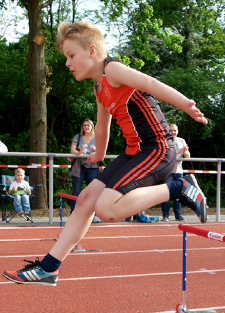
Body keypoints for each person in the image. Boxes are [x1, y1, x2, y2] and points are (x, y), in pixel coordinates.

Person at [3, 21, 208, 286]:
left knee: (107, 208)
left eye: (71, 55)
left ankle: (180, 188)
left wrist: (186, 105)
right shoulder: (100, 88)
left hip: (158, 147)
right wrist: (97, 155)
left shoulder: (113, 69)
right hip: (134, 152)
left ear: (91, 51)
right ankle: (48, 268)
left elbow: (150, 82)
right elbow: (102, 128)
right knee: (86, 198)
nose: (67, 63)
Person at [69, 118, 100, 222]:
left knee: (93, 192)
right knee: (76, 190)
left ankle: (93, 215)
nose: (86, 127)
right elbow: (72, 149)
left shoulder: (97, 138)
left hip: (92, 166)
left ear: (92, 127)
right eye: (84, 125)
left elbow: (102, 151)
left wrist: (96, 150)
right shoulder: (78, 137)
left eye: (88, 125)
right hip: (79, 166)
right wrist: (79, 152)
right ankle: (73, 214)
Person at [161, 124, 190, 222]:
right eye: (171, 130)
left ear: (177, 131)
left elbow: (188, 156)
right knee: (166, 194)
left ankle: (178, 215)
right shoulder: (165, 140)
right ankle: (165, 215)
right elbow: (168, 154)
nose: (173, 132)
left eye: (174, 130)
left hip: (178, 171)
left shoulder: (182, 141)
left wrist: (185, 152)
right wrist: (180, 151)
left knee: (179, 194)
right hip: (167, 171)